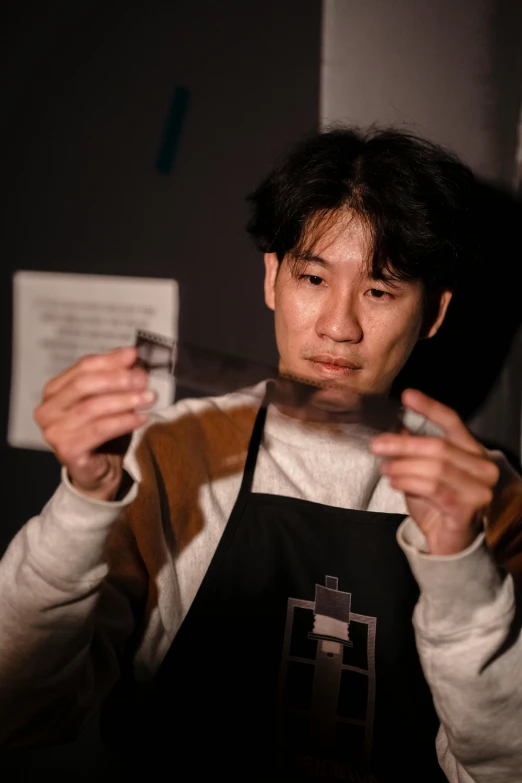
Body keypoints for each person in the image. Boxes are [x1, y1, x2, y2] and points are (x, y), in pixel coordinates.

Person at [1, 127, 522, 783]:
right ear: (273, 278)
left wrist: (460, 569)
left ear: (435, 313)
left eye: (380, 290)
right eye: (312, 276)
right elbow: (17, 710)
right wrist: (83, 502)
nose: (338, 325)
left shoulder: (488, 494)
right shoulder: (170, 453)